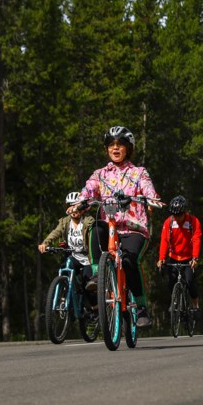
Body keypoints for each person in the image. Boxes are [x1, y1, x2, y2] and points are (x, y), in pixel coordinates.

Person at [73, 125, 161, 328]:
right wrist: (80, 202)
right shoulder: (100, 174)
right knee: (95, 228)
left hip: (133, 229)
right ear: (106, 149)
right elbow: (89, 189)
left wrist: (151, 199)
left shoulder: (139, 173)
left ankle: (140, 307)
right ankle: (98, 275)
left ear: (128, 148)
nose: (115, 148)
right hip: (110, 226)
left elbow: (148, 189)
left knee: (129, 261)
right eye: (111, 145)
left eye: (120, 144)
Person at [38, 191, 97, 309]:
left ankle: (94, 307)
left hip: (87, 257)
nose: (74, 210)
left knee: (88, 282)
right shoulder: (65, 222)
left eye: (76, 206)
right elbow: (55, 232)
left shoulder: (88, 221)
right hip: (73, 255)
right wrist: (45, 243)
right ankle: (64, 293)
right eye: (70, 206)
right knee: (65, 267)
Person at [156, 195, 202, 313]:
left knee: (190, 282)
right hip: (174, 257)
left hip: (188, 258)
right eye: (174, 215)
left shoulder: (194, 222)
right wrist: (161, 258)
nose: (176, 218)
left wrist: (195, 258)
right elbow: (164, 241)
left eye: (179, 215)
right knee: (171, 282)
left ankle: (195, 304)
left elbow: (197, 239)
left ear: (185, 212)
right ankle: (175, 302)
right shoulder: (169, 222)